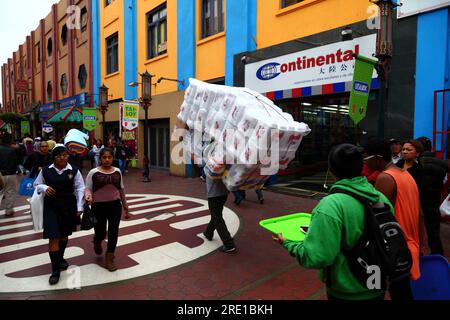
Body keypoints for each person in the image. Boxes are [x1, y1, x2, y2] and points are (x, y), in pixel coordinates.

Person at [272, 144, 389, 300]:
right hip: (377, 286)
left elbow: (318, 257)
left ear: (331, 170)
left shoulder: (330, 206)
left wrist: (288, 244)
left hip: (347, 291)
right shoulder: (380, 198)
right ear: (362, 167)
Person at [363, 138, 425, 300]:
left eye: (366, 157)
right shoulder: (405, 174)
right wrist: (420, 245)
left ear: (377, 158)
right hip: (409, 246)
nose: (365, 161)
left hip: (394, 248)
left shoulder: (385, 178)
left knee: (383, 289)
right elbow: (420, 214)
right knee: (402, 291)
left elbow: (377, 218)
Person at [33, 145, 85, 285]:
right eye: (59, 156)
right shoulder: (45, 170)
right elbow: (36, 184)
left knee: (63, 235)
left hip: (68, 206)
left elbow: (80, 188)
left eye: (65, 155)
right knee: (53, 236)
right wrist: (44, 187)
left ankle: (60, 258)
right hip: (51, 207)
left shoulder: (73, 170)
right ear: (54, 157)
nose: (62, 158)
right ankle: (55, 270)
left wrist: (80, 207)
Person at [85, 148, 130, 272]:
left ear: (112, 158)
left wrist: (125, 205)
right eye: (104, 157)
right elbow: (88, 188)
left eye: (109, 157)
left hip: (114, 206)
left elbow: (121, 189)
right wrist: (87, 196)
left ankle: (109, 257)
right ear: (100, 159)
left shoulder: (117, 172)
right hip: (98, 206)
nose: (107, 160)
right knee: (100, 231)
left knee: (113, 231)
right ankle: (97, 240)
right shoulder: (93, 172)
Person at [416, 136, 448, 255]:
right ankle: (437, 256)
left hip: (416, 202)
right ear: (431, 147)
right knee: (433, 232)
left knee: (415, 231)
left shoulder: (413, 163)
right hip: (433, 201)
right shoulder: (443, 164)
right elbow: (444, 182)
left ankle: (418, 255)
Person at [203, 175, 236, 253]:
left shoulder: (211, 163)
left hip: (214, 194)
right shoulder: (225, 164)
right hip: (223, 193)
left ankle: (229, 244)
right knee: (216, 214)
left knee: (217, 218)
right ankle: (208, 233)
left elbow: (200, 165)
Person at [0, 133, 22, 216]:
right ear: (10, 140)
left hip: (0, 173)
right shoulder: (13, 149)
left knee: (1, 192)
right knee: (11, 192)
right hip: (11, 173)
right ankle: (9, 210)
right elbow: (19, 161)